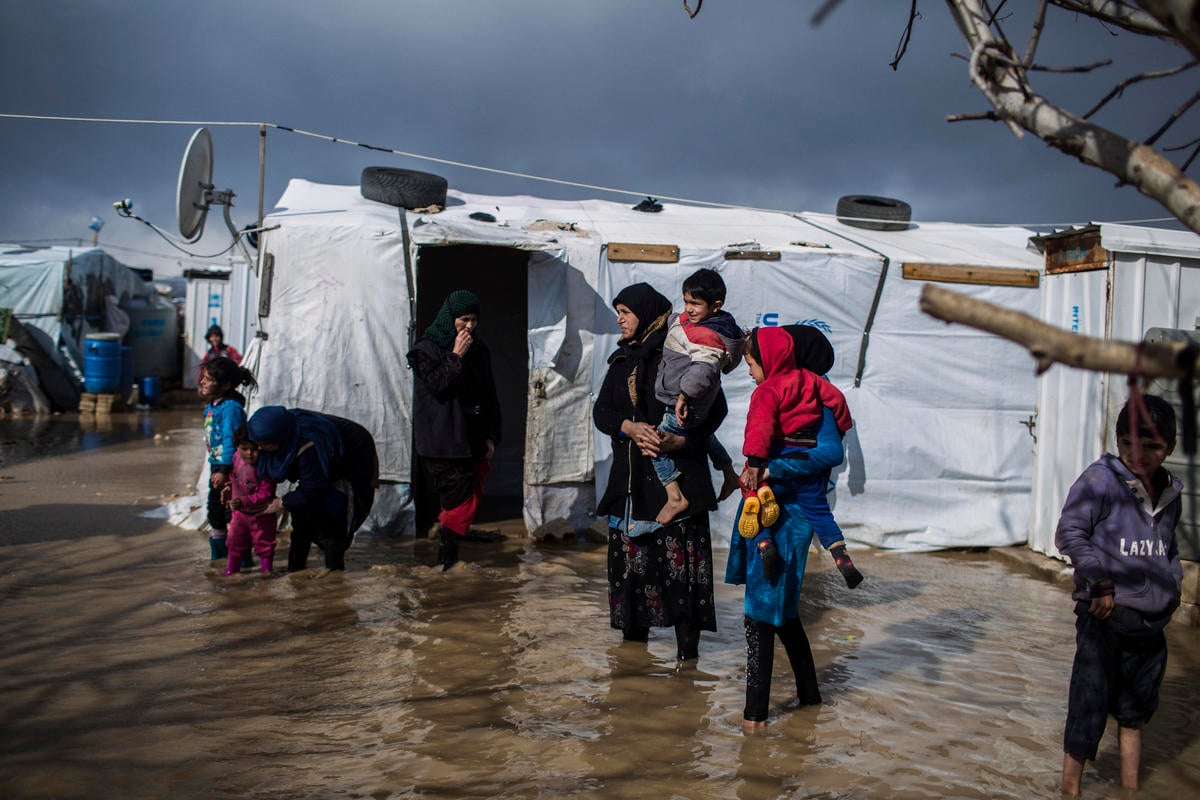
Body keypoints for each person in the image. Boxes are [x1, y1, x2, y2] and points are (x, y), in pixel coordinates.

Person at [1056, 394, 1182, 796]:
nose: (1138, 454)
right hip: (1104, 619)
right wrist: (1099, 581)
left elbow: (1168, 548)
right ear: (1117, 438)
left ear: (1171, 449)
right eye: (1128, 443)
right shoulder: (1100, 481)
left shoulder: (1170, 493)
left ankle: (1131, 789)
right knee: (1087, 709)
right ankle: (1069, 791)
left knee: (1135, 712)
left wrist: (1174, 586)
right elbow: (1069, 533)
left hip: (1150, 625)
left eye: (1152, 447)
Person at [593, 282, 722, 661]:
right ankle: (632, 675)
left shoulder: (682, 354)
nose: (619, 319)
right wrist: (629, 428)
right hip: (632, 489)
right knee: (633, 590)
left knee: (681, 589)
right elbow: (602, 412)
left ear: (646, 314)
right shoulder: (622, 361)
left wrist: (678, 443)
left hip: (676, 488)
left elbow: (713, 413)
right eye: (618, 311)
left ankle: (688, 671)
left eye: (625, 312)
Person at [725, 400, 853, 730]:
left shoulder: (809, 405)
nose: (751, 375)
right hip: (774, 513)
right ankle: (810, 702)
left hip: (786, 521)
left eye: (754, 364)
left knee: (760, 618)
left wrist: (772, 469)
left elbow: (829, 453)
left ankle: (754, 720)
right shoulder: (799, 399)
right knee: (785, 617)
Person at [738, 326, 860, 585]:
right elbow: (836, 399)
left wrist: (757, 464)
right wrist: (844, 423)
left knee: (753, 495)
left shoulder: (767, 390)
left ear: (767, 360)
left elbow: (759, 428)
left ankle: (764, 544)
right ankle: (841, 555)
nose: (749, 372)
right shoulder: (813, 380)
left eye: (750, 365)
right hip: (807, 470)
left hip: (777, 462)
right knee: (820, 512)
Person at [406, 289, 503, 571]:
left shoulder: (480, 349)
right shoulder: (426, 349)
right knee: (457, 497)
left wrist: (490, 435)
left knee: (467, 497)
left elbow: (488, 394)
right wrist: (456, 356)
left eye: (473, 320)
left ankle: (447, 559)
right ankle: (446, 562)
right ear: (450, 318)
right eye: (463, 320)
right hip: (441, 439)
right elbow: (437, 386)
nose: (469, 327)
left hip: (470, 436)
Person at [651, 268, 744, 524]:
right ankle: (728, 472)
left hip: (684, 404)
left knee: (654, 445)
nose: (689, 309)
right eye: (686, 301)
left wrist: (683, 395)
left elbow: (702, 372)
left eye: (695, 303)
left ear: (716, 306)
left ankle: (674, 497)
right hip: (696, 404)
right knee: (707, 437)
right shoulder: (698, 324)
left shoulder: (707, 336)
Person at [246, 406, 379, 572]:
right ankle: (295, 571)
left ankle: (334, 579)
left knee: (333, 523)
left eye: (263, 443)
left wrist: (281, 503)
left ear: (278, 439)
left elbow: (313, 488)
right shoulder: (283, 431)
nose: (258, 448)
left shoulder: (309, 446)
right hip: (319, 471)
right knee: (301, 519)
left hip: (352, 460)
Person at [198, 356, 258, 561]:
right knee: (215, 511)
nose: (202, 382)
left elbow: (230, 440)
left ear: (225, 385)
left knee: (233, 512)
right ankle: (220, 557)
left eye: (208, 379)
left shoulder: (231, 408)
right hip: (218, 465)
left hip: (233, 468)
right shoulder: (213, 405)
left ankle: (241, 559)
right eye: (204, 377)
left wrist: (224, 471)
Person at [220, 427, 278, 576]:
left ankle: (266, 574)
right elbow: (234, 477)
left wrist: (242, 501)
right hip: (239, 514)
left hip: (262, 513)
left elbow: (266, 492)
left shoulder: (265, 465)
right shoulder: (235, 457)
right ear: (237, 447)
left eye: (254, 449)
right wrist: (227, 487)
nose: (250, 454)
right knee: (234, 543)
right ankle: (231, 573)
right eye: (244, 449)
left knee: (264, 545)